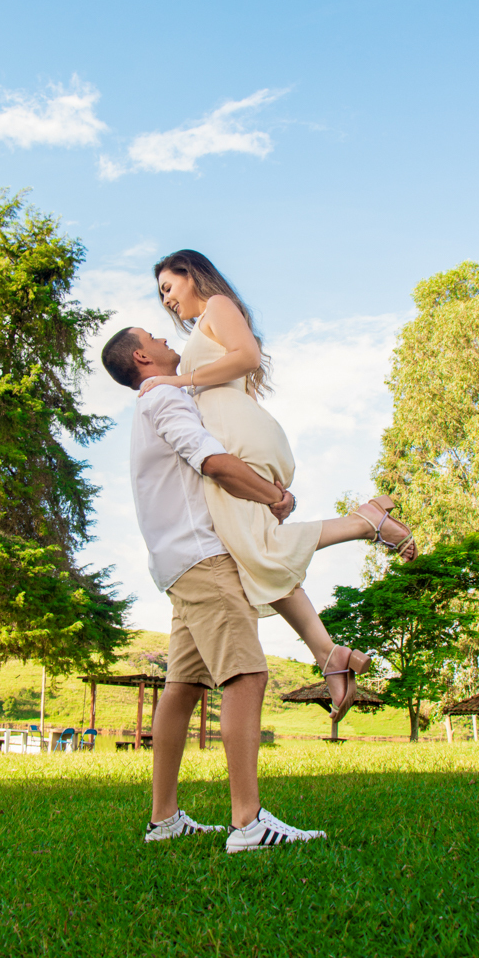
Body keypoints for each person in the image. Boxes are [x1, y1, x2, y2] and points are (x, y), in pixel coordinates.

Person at [139, 249, 418, 723]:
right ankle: (328, 651)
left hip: (236, 434)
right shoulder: (208, 323)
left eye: (168, 286)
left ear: (191, 275)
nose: (166, 300)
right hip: (236, 429)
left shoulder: (218, 307)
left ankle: (364, 523)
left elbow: (245, 357)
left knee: (253, 546)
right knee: (255, 551)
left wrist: (176, 378)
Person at [101, 327, 326, 852]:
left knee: (182, 686)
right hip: (203, 558)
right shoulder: (164, 396)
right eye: (153, 336)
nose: (164, 335)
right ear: (142, 355)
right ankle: (248, 823)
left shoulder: (148, 406)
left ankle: (164, 820)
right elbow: (213, 462)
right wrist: (274, 496)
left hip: (176, 563)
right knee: (246, 674)